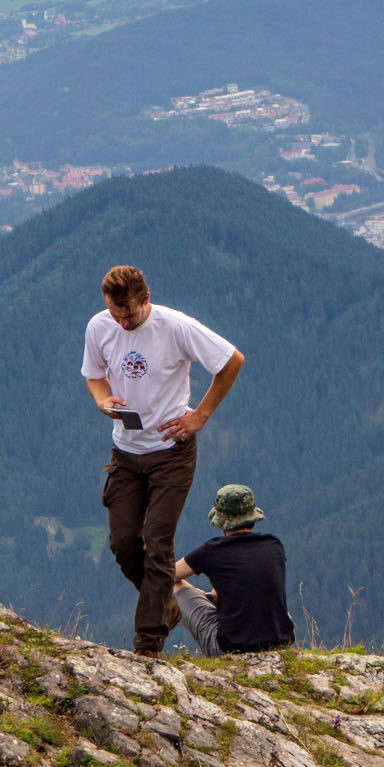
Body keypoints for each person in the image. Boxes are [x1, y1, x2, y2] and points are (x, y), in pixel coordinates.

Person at [82, 265, 244, 656]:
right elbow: (93, 375)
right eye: (115, 315)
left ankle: (148, 645)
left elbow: (232, 361)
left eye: (130, 315)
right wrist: (102, 401)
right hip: (125, 452)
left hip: (172, 452)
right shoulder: (99, 326)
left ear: (146, 300)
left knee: (158, 544)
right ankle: (168, 607)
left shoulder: (176, 327)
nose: (122, 323)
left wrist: (199, 416)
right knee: (123, 544)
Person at [172, 484, 296, 657]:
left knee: (172, 585)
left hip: (230, 648)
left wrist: (195, 594)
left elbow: (167, 574)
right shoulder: (274, 545)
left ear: (222, 522)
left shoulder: (212, 551)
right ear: (252, 516)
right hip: (279, 642)